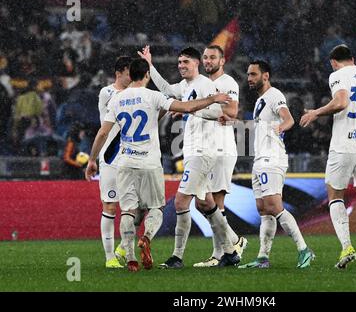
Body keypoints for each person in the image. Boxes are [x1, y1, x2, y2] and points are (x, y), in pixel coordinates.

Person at [85, 57, 232, 272]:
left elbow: (103, 132)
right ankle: (146, 237)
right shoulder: (153, 96)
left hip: (125, 162)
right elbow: (187, 107)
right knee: (156, 208)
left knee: (127, 210)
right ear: (146, 75)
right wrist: (212, 99)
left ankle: (131, 257)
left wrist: (91, 159)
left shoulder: (117, 99)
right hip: (150, 162)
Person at [140, 45, 241, 268]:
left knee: (180, 201)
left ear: (196, 64)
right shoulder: (185, 86)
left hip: (204, 151)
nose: (181, 66)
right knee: (205, 203)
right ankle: (231, 248)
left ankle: (177, 257)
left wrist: (191, 109)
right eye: (179, 63)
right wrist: (150, 65)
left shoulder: (206, 85)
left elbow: (220, 113)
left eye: (186, 62)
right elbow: (166, 87)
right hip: (193, 151)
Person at [300, 44, 356, 269]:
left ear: (333, 62)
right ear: (353, 58)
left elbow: (340, 102)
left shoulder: (337, 75)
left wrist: (315, 112)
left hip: (344, 143)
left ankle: (347, 247)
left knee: (335, 196)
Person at [239, 60, 314, 269]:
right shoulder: (259, 101)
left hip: (272, 159)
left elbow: (288, 119)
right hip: (260, 159)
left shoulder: (274, 95)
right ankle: (263, 257)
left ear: (266, 76)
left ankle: (304, 249)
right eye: (248, 75)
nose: (249, 79)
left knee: (273, 205)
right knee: (263, 208)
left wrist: (280, 129)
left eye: (253, 74)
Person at [191, 45, 247, 267]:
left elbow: (233, 111)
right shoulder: (202, 84)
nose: (208, 61)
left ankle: (219, 254)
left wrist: (199, 109)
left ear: (222, 61)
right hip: (205, 149)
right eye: (205, 57)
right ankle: (234, 241)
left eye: (212, 57)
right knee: (202, 203)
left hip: (222, 149)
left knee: (216, 202)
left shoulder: (228, 83)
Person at [97, 56, 132, 268]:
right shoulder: (107, 92)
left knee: (137, 206)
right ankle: (110, 257)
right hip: (110, 156)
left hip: (132, 156)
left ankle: (124, 246)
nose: (132, 77)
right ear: (119, 73)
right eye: (130, 73)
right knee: (110, 206)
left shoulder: (137, 94)